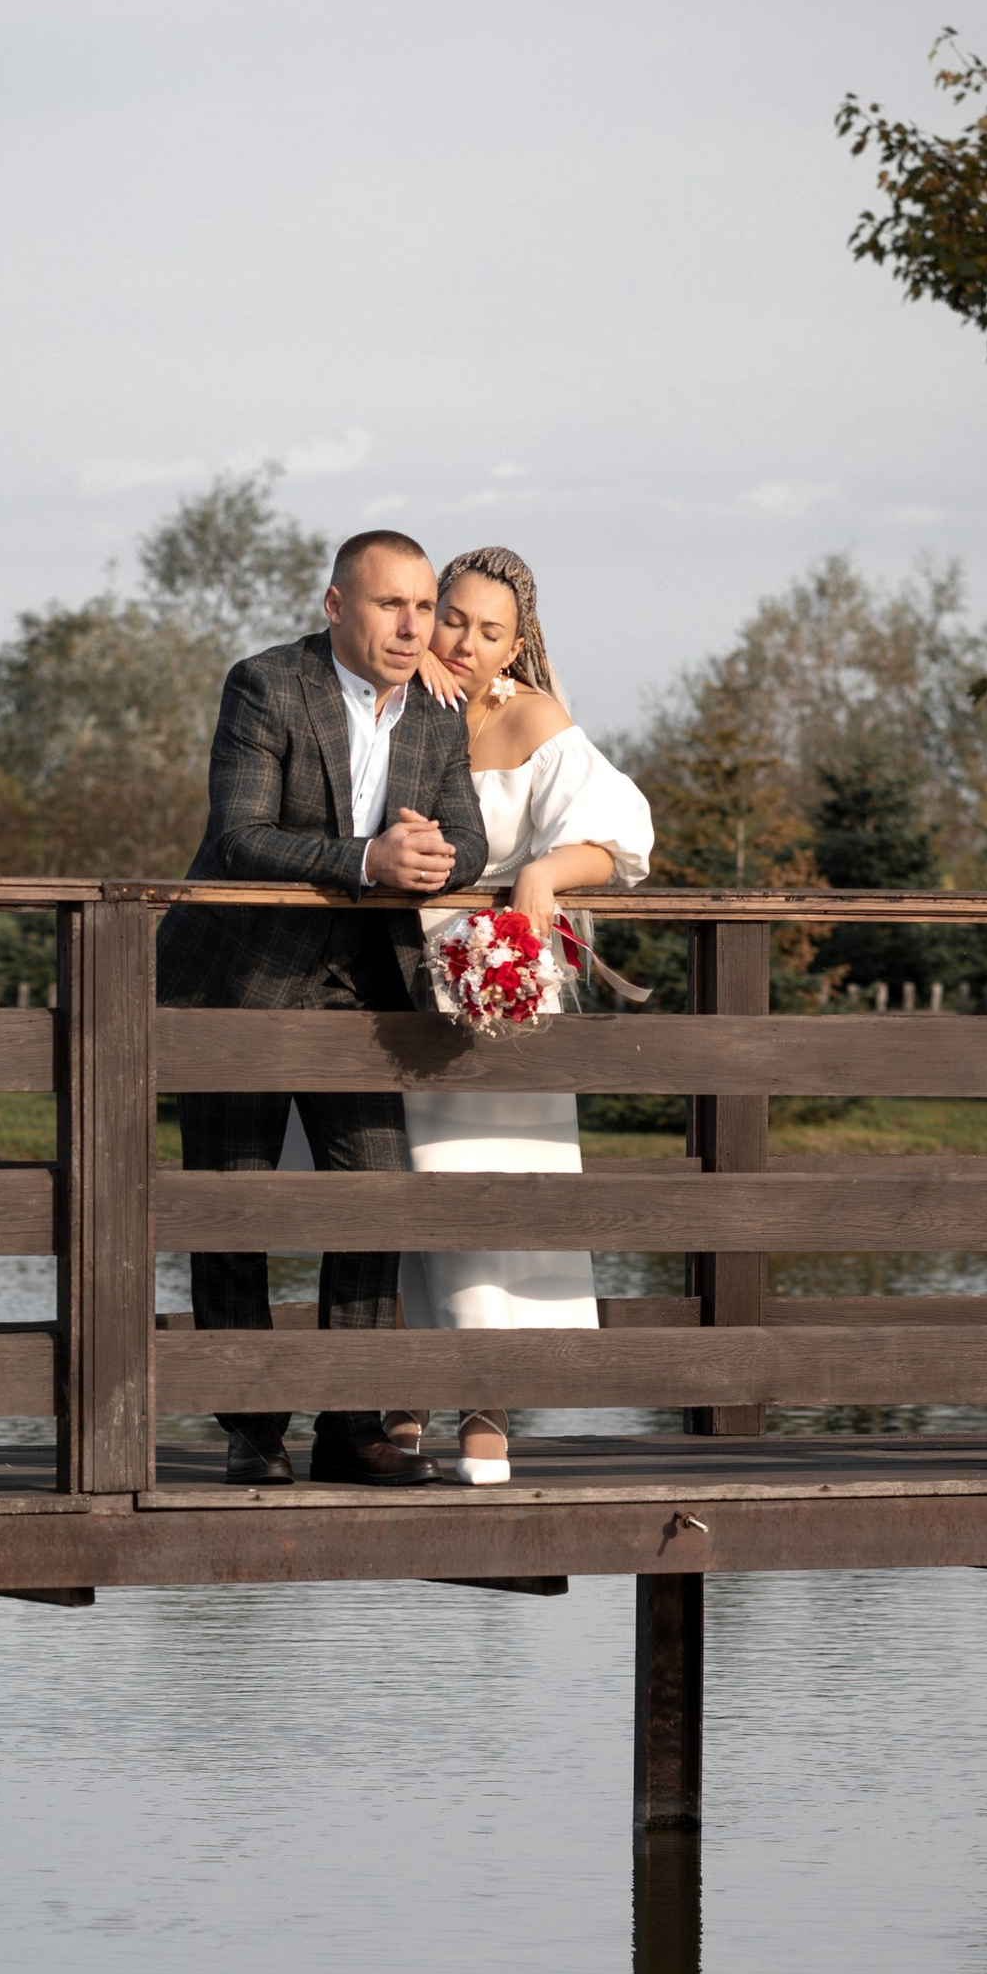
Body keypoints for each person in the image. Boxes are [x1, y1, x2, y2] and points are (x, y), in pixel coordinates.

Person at [158, 530, 489, 1487]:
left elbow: (464, 836)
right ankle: (253, 1431)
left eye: (424, 607)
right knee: (234, 1209)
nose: (413, 625)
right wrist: (365, 859)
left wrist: (435, 854)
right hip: (240, 984)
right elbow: (242, 836)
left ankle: (350, 1428)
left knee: (376, 1198)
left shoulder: (434, 713)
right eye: (392, 605)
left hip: (364, 993)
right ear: (337, 605)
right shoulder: (265, 684)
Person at [391, 547, 656, 1482]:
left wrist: (543, 871)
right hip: (390, 987)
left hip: (486, 988)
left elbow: (625, 834)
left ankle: (487, 1408)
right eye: (450, 617)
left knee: (485, 1190)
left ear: (517, 644)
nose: (462, 641)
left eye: (488, 630)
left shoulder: (531, 718)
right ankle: (402, 1397)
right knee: (400, 1194)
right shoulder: (394, 704)